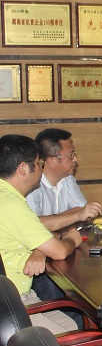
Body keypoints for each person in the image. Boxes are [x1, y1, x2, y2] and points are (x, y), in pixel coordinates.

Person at [0, 134, 84, 333]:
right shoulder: (12, 205)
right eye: (38, 163)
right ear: (23, 169)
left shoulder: (5, 196)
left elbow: (38, 233)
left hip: (12, 296)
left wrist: (39, 250)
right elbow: (59, 252)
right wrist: (72, 238)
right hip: (12, 303)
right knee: (79, 331)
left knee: (73, 325)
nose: (41, 168)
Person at [26, 128, 102, 232]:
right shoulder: (31, 185)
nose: (75, 158)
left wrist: (51, 220)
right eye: (71, 155)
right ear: (52, 161)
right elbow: (32, 225)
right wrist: (75, 216)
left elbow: (82, 209)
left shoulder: (67, 178)